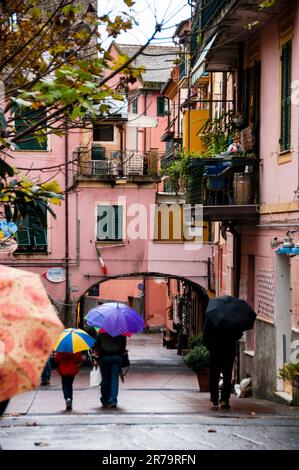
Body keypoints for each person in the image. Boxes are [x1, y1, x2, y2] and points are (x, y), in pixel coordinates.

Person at [203, 318, 242, 409]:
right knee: (227, 375)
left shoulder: (211, 317)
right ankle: (224, 399)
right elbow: (238, 334)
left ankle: (214, 397)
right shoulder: (232, 317)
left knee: (214, 375)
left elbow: (205, 334)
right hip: (229, 351)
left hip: (215, 350)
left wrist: (209, 346)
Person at [93, 332, 126, 409]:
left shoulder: (101, 332)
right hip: (117, 357)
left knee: (105, 378)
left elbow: (97, 345)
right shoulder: (120, 332)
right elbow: (123, 346)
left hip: (104, 357)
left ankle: (105, 399)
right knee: (114, 378)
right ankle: (113, 400)